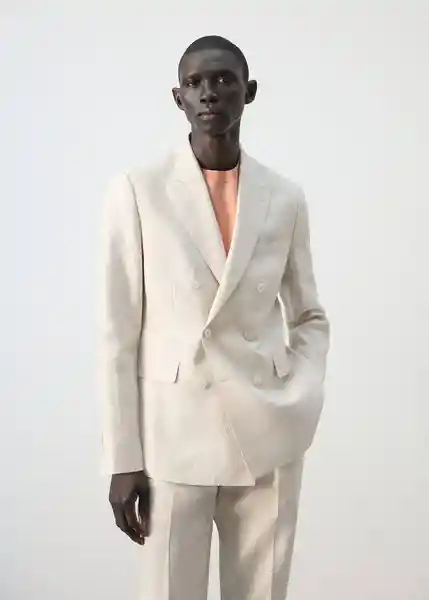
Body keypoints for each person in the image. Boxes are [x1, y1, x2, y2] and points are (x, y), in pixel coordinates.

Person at [98, 34, 330, 600]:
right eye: (195, 82)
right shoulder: (138, 190)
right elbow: (118, 333)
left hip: (267, 430)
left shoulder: (284, 196)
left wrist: (299, 390)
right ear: (177, 97)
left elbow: (309, 315)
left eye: (224, 79)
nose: (209, 93)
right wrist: (122, 456)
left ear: (249, 92)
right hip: (175, 433)